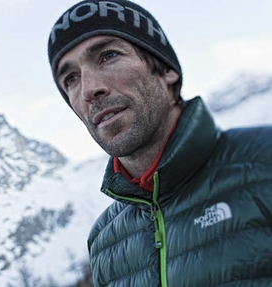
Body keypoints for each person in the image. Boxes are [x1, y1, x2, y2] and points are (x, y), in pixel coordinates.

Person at [47, 0, 272, 286]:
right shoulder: (104, 242)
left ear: (166, 70)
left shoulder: (264, 163)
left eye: (108, 55)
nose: (90, 88)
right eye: (70, 79)